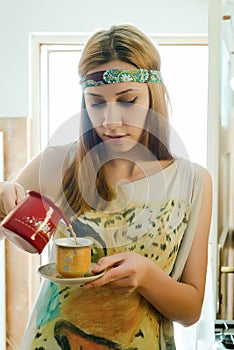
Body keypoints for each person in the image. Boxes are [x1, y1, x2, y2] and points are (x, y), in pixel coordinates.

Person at [0, 24, 212, 350]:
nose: (110, 121)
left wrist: (146, 277)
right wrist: (3, 194)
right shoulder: (60, 162)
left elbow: (191, 312)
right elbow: (9, 221)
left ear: (153, 96)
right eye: (96, 103)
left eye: (128, 100)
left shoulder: (193, 181)